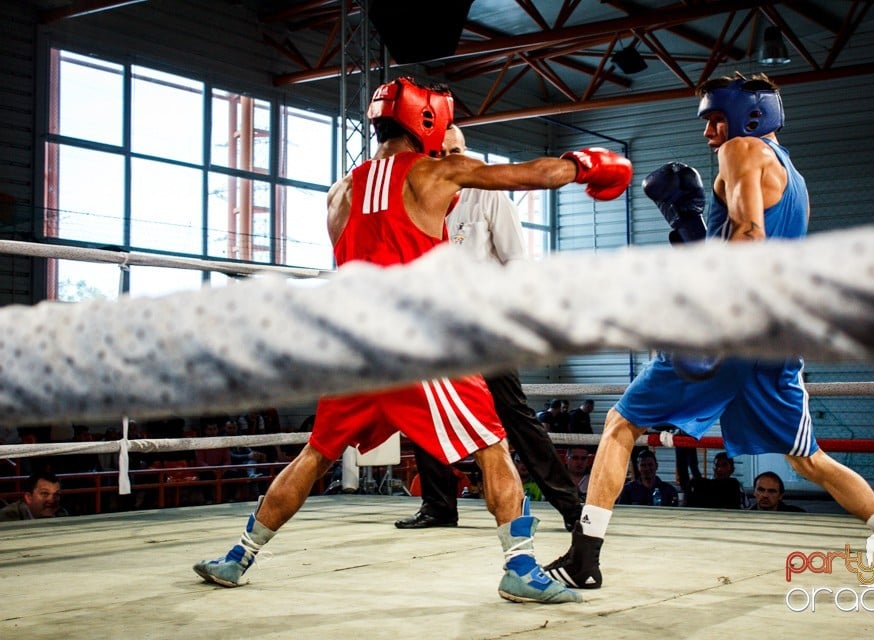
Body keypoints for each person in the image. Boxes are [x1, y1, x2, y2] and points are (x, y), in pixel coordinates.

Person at [193, 76, 631, 604]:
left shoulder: (343, 190)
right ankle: (519, 567)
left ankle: (238, 557)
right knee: (492, 446)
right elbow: (530, 174)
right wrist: (584, 164)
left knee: (316, 453)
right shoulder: (432, 171)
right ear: (428, 120)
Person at [545, 72, 874, 590]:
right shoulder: (793, 176)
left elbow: (750, 238)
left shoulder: (739, 151)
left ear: (750, 114)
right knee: (811, 459)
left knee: (621, 424)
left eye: (716, 117)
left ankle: (584, 558)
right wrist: (689, 227)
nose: (710, 131)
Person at [395, 125, 583, 532]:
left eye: (460, 150)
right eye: (444, 153)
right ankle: (439, 506)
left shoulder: (488, 193)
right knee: (427, 412)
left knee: (513, 413)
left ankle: (571, 506)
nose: (454, 160)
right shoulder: (417, 196)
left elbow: (516, 260)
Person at [0, 472, 69, 521]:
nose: (52, 500)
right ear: (28, 498)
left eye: (56, 494)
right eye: (45, 493)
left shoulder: (61, 514)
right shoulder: (7, 519)